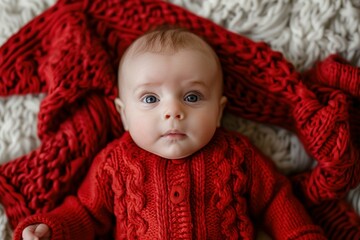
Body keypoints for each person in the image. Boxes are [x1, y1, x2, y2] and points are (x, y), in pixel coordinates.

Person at [17, 27, 326, 240]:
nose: (173, 111)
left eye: (192, 97)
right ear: (124, 115)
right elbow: (85, 212)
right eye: (150, 99)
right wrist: (52, 228)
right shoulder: (116, 162)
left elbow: (275, 201)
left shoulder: (236, 155)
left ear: (218, 112)